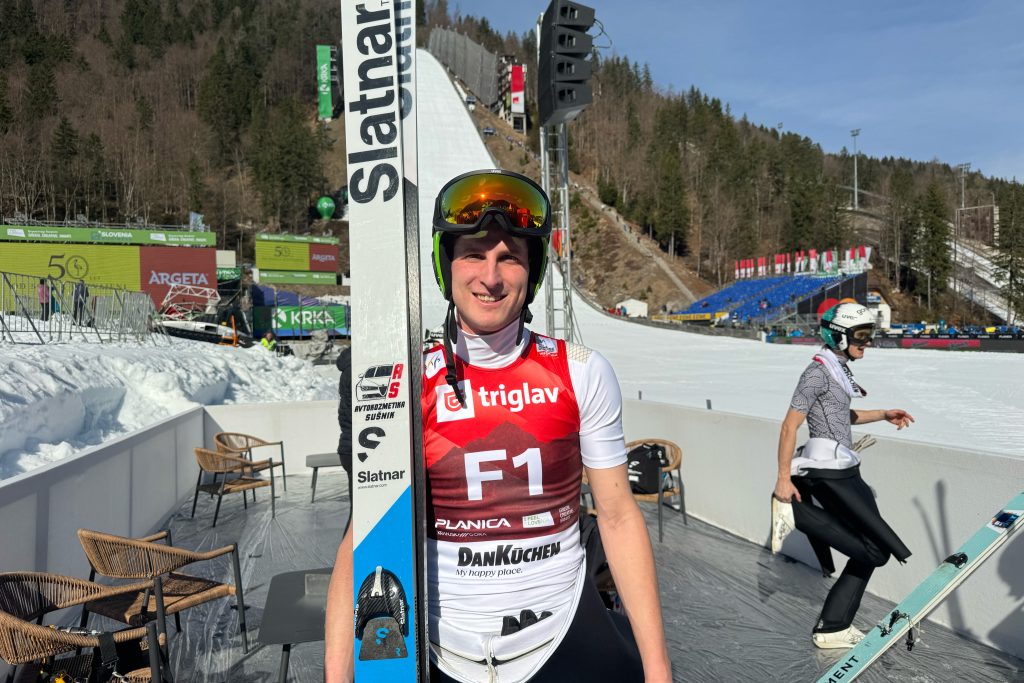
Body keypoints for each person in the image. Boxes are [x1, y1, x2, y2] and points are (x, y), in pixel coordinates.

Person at [325, 170, 671, 682]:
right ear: (446, 265)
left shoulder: (580, 371)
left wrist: (658, 669)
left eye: (509, 257)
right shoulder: (406, 380)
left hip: (562, 633)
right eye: (473, 254)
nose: (490, 277)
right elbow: (365, 536)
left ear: (533, 271)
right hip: (439, 647)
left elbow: (618, 518)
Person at [771, 301, 915, 649]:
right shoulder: (816, 373)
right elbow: (790, 426)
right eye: (860, 335)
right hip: (828, 471)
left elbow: (841, 417)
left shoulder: (836, 370)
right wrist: (783, 479)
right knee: (878, 548)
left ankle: (833, 627)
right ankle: (794, 512)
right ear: (838, 336)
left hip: (843, 466)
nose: (867, 342)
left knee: (875, 551)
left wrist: (883, 414)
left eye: (869, 335)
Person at [335, 345, 353, 532]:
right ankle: (348, 549)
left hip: (348, 447)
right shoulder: (357, 371)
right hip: (356, 447)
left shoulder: (347, 370)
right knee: (359, 513)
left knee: (357, 511)